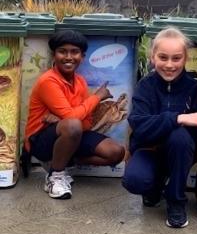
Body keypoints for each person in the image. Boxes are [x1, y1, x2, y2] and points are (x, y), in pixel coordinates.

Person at [122, 27, 197, 228]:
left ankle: (176, 201)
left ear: (185, 58)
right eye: (163, 57)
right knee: (135, 181)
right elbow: (139, 124)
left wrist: (175, 126)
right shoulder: (145, 86)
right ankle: (155, 184)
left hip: (180, 152)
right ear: (152, 57)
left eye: (176, 58)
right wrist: (178, 118)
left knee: (180, 138)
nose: (169, 65)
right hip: (148, 150)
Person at [24, 30, 124, 200]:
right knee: (72, 125)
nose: (69, 57)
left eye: (74, 52)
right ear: (54, 55)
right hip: (40, 140)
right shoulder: (48, 81)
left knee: (116, 152)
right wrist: (97, 97)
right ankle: (55, 176)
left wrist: (65, 118)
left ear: (82, 57)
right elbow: (74, 118)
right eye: (62, 51)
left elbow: (86, 121)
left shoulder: (80, 81)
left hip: (68, 134)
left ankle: (64, 161)